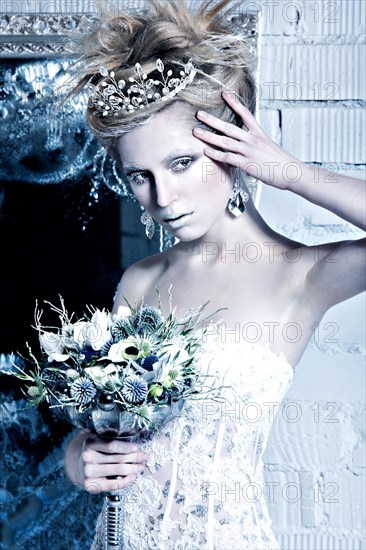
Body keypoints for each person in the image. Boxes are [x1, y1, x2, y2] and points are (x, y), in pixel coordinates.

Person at [64, 1, 366, 548]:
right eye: (140, 176)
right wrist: (79, 457)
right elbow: (104, 428)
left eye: (182, 164)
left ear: (232, 149)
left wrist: (290, 173)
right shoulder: (139, 282)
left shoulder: (302, 276)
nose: (162, 199)